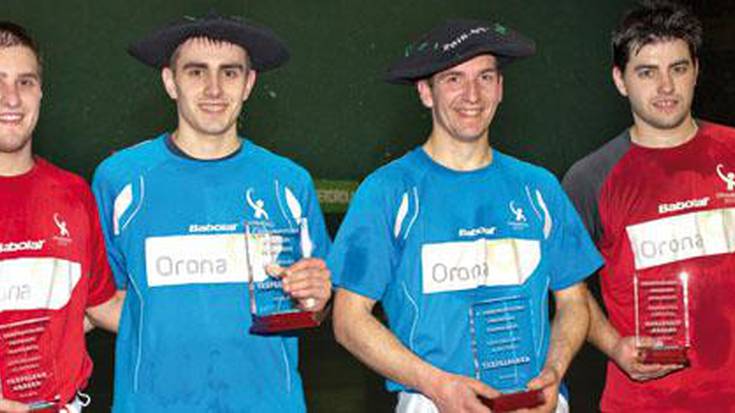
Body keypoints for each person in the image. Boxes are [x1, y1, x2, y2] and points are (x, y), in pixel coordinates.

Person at [329, 19, 602, 413]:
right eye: (454, 79)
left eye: (485, 77)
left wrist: (554, 371)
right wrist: (438, 386)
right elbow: (348, 320)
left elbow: (574, 302)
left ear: (500, 88)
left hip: (536, 403)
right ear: (426, 92)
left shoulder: (538, 187)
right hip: (433, 403)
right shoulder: (387, 191)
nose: (472, 95)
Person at [92, 12, 332, 413]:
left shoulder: (289, 182)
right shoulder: (119, 180)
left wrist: (316, 299)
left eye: (230, 73)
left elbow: (312, 306)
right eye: (196, 72)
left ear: (249, 83)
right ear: (170, 81)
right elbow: (99, 301)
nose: (214, 89)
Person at [562, 1, 735, 411]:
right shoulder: (589, 179)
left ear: (696, 71)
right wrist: (613, 345)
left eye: (678, 68)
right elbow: (566, 287)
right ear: (620, 80)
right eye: (647, 72)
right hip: (643, 403)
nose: (666, 86)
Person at [0, 21, 122, 413]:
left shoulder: (72, 194)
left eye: (25, 82)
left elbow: (101, 306)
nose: (11, 99)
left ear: (40, 92)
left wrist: (220, 304)